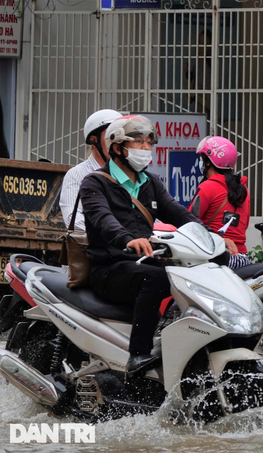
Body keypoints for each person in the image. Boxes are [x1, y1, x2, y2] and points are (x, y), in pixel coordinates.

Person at [80, 115, 203, 375]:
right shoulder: (95, 182)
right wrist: (127, 239)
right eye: (139, 142)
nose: (146, 149)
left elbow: (176, 211)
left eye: (149, 143)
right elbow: (103, 218)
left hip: (141, 263)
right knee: (157, 277)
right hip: (109, 267)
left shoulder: (151, 182)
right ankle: (138, 356)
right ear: (117, 148)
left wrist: (207, 235)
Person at [190, 136, 251, 269]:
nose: (201, 161)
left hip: (217, 256)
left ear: (208, 162)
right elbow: (244, 224)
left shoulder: (208, 187)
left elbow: (191, 223)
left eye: (202, 158)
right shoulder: (243, 189)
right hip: (242, 258)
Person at [60, 109, 122, 231]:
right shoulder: (77, 174)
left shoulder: (132, 175)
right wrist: (116, 236)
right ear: (94, 140)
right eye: (111, 135)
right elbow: (73, 219)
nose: (117, 141)